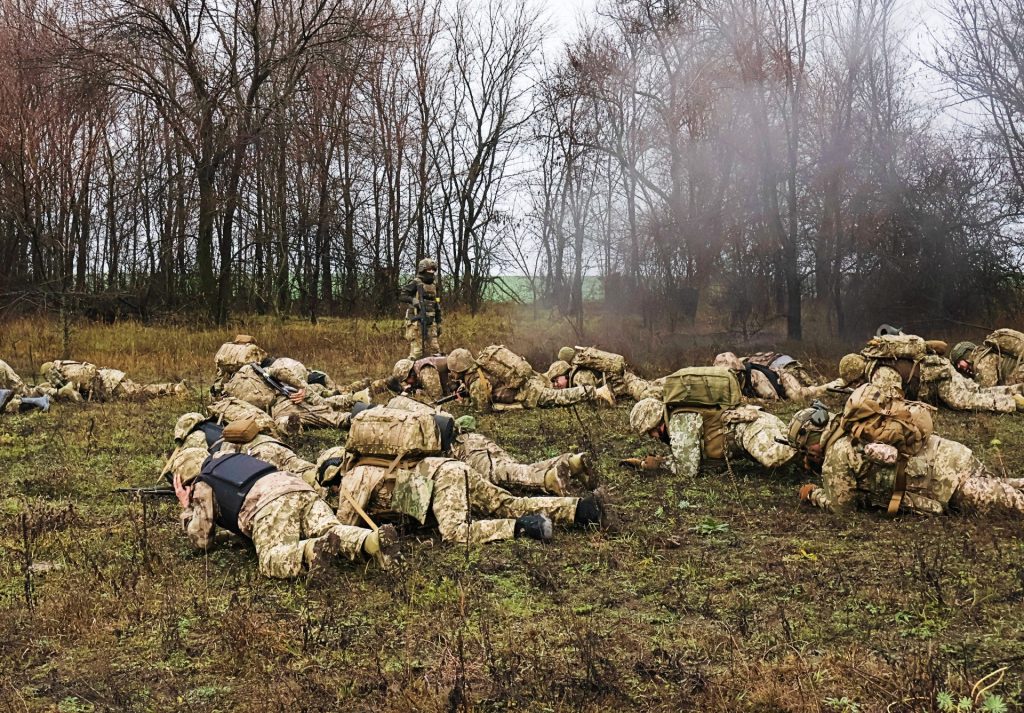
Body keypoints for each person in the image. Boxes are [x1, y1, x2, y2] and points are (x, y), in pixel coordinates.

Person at [321, 406, 607, 544]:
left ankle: (524, 527)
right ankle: (580, 510)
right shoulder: (377, 465)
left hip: (442, 480)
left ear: (333, 476)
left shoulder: (353, 478)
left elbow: (342, 525)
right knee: (506, 502)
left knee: (458, 533)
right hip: (448, 469)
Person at [167, 449, 399, 579]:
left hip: (269, 503)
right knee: (331, 529)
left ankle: (311, 550)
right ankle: (372, 541)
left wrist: (186, 506)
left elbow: (201, 541)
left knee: (271, 558)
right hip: (298, 488)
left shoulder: (203, 483)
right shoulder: (235, 458)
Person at [788, 404, 1024, 516]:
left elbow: (843, 510)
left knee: (1015, 506)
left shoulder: (836, 454)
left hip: (949, 485)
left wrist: (814, 493)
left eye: (805, 449)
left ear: (812, 441)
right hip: (954, 455)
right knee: (1005, 487)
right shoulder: (855, 423)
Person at [836, 334, 1023, 413]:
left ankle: (1012, 403)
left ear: (856, 375)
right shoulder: (878, 359)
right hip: (940, 367)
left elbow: (894, 404)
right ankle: (1017, 389)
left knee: (965, 401)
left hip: (939, 379)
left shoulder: (880, 374)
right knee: (978, 390)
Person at [628, 396, 795, 478]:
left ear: (657, 423)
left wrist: (657, 465)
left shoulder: (680, 421)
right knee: (792, 451)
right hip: (756, 422)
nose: (653, 437)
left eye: (651, 432)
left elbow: (687, 470)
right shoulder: (679, 416)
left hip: (751, 428)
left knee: (780, 457)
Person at [446, 347, 614, 412]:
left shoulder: (476, 381)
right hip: (529, 384)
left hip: (528, 392)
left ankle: (597, 392)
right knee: (557, 396)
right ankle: (595, 392)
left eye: (453, 370)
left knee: (559, 398)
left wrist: (464, 403)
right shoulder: (480, 369)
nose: (452, 374)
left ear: (459, 368)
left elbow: (483, 411)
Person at [222, 358, 361, 432]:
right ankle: (357, 412)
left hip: (278, 403)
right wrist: (302, 388)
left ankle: (289, 425)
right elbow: (281, 372)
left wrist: (302, 388)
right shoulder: (252, 369)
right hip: (281, 402)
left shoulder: (232, 388)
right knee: (322, 411)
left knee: (318, 406)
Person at [712, 351, 841, 401]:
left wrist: (749, 401)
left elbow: (774, 400)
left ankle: (832, 385)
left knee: (799, 396)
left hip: (782, 377)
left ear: (738, 373)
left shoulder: (755, 378)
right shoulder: (722, 380)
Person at [545, 346, 661, 401]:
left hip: (626, 382)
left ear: (565, 374)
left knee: (649, 394)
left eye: (556, 380)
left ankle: (677, 383)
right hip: (623, 384)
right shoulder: (578, 368)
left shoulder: (578, 377)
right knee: (653, 386)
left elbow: (590, 394)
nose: (555, 385)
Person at [39, 360, 186, 401]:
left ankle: (173, 389)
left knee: (139, 391)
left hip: (110, 383)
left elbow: (90, 375)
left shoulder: (69, 371)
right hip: (108, 382)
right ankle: (172, 388)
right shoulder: (64, 369)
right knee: (139, 390)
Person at [399, 258, 443, 359]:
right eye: (429, 270)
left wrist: (439, 322)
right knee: (417, 353)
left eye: (433, 270)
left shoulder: (434, 285)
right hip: (416, 322)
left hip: (431, 321)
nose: (431, 272)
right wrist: (413, 300)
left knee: (435, 351)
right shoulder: (416, 283)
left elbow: (437, 305)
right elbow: (402, 295)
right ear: (423, 270)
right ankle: (410, 373)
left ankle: (433, 373)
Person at [951, 331, 1024, 388]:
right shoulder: (981, 359)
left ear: (965, 354)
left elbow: (988, 389)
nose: (958, 367)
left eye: (958, 362)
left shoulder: (983, 361)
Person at [389, 355, 454, 402]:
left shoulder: (426, 372)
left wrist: (419, 394)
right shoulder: (417, 369)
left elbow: (438, 398)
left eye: (406, 380)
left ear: (410, 374)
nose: (407, 383)